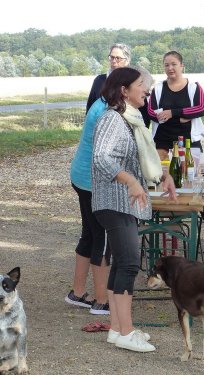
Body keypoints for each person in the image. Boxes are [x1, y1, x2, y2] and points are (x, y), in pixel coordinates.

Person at [92, 66, 176, 352]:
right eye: (142, 84)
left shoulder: (130, 119)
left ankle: (117, 329)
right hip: (114, 201)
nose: (147, 89)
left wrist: (162, 175)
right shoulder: (112, 119)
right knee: (128, 263)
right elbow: (102, 158)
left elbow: (135, 159)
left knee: (122, 264)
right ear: (124, 90)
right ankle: (126, 332)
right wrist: (129, 181)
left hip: (120, 202)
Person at [66, 43, 135, 315]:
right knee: (102, 238)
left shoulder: (102, 102)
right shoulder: (108, 111)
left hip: (81, 177)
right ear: (123, 89)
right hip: (92, 181)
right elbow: (105, 155)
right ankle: (101, 300)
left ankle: (77, 292)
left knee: (89, 234)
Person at [147, 51, 204, 160]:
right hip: (163, 142)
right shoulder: (158, 88)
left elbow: (201, 109)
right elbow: (151, 112)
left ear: (182, 66)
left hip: (189, 141)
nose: (170, 68)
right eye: (166, 65)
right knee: (162, 176)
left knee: (192, 175)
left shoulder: (194, 87)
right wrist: (181, 118)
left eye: (174, 64)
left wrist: (172, 113)